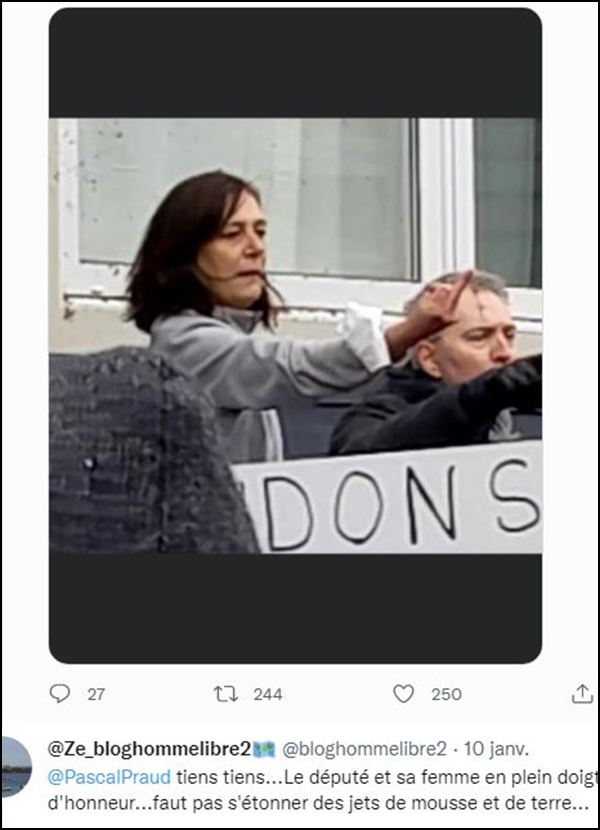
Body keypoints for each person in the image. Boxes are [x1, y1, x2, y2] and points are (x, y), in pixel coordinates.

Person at [127, 170, 471, 464]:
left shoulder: (234, 335)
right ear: (184, 254)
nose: (256, 248)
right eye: (232, 234)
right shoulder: (183, 342)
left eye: (260, 231)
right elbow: (286, 367)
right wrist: (403, 334)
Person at [330, 271, 542, 456]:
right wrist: (487, 393)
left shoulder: (530, 419)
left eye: (509, 336)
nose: (505, 352)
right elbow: (359, 459)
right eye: (479, 337)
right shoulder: (375, 419)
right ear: (430, 359)